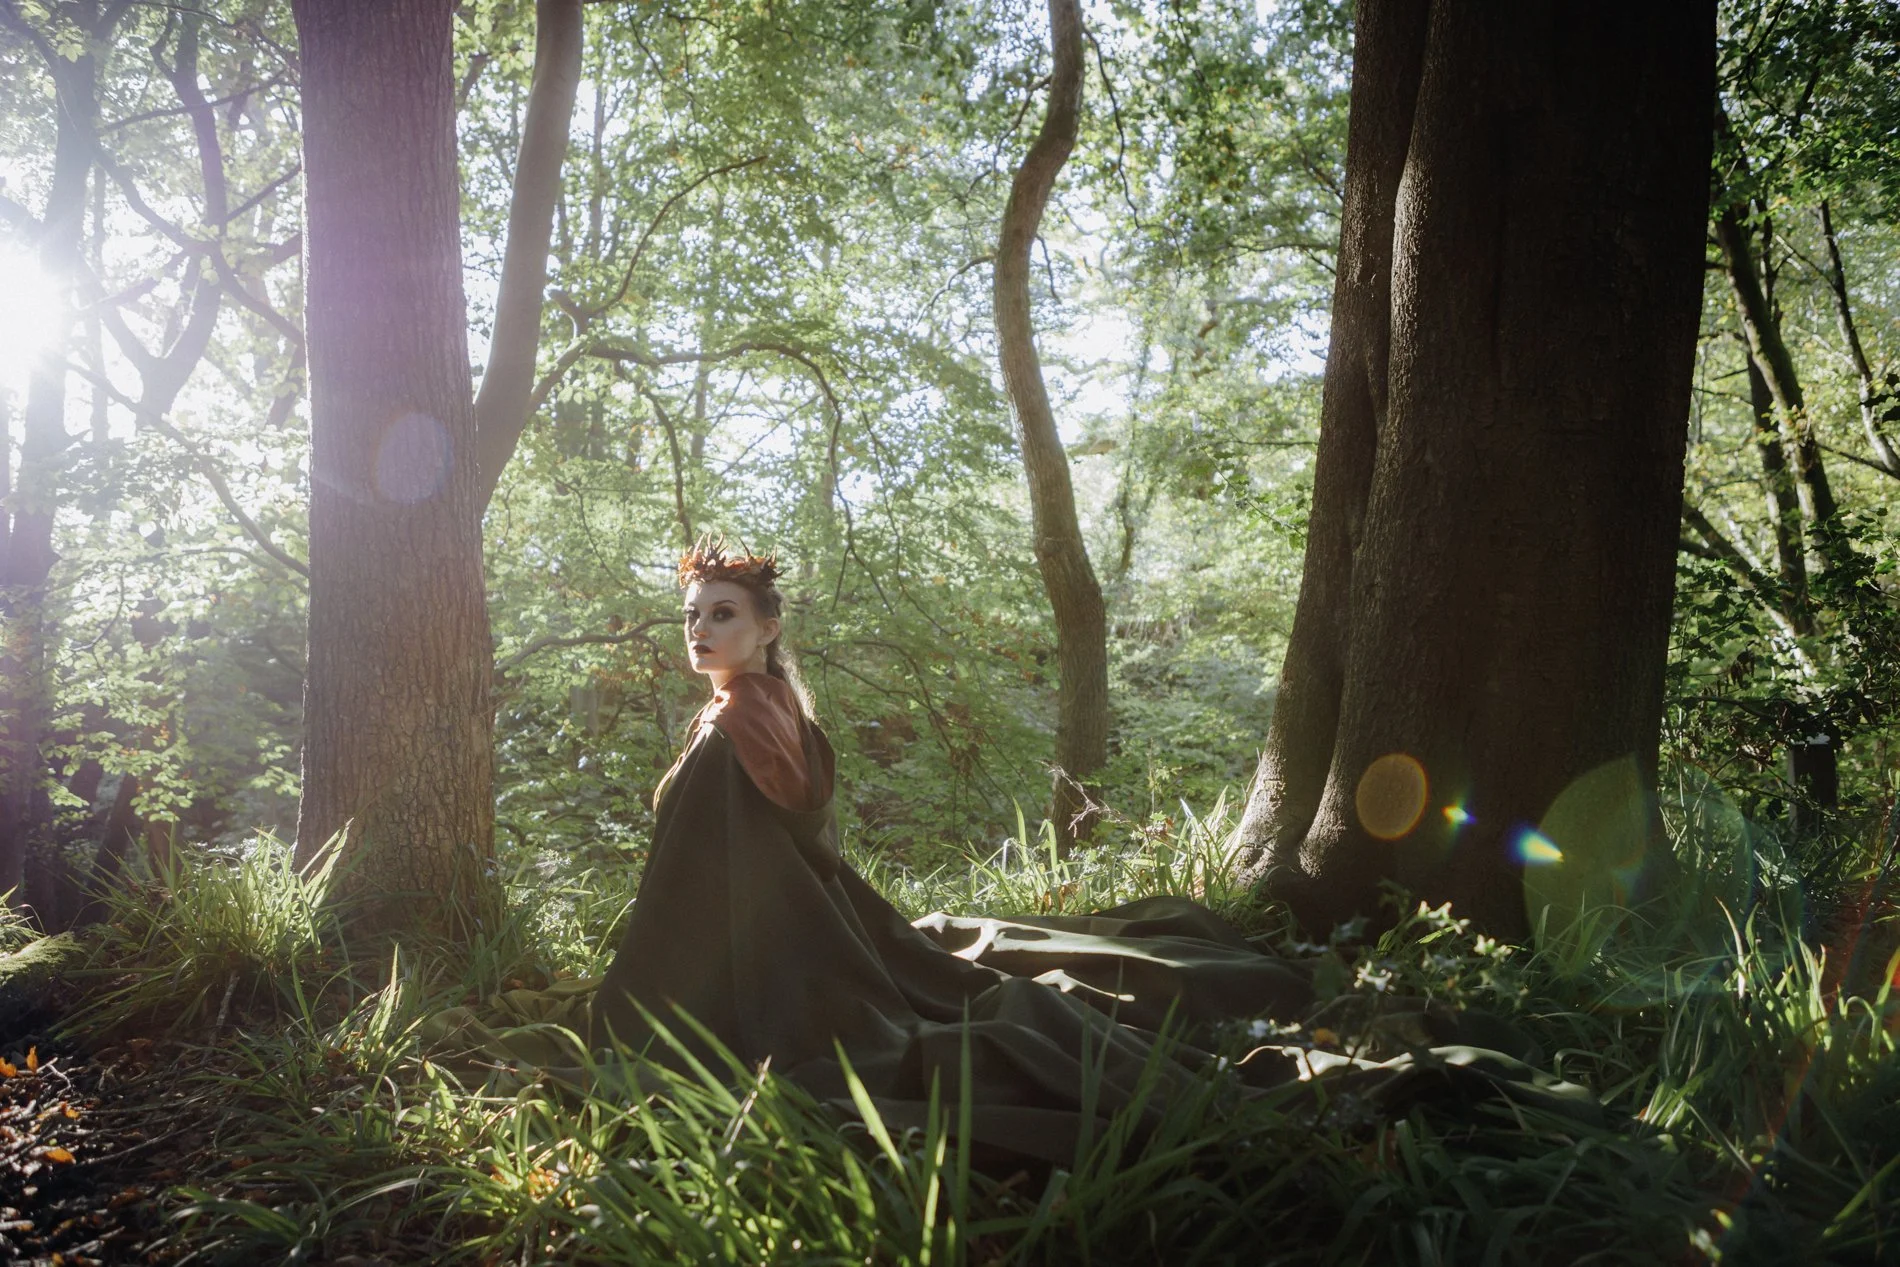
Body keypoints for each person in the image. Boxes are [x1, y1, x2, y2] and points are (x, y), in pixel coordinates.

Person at [577, 541, 1595, 1163]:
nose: (701, 632)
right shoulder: (771, 710)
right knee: (983, 982)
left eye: (722, 616)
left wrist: (630, 1008)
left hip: (798, 965)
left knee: (977, 1029)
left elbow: (699, 886)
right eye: (692, 617)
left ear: (765, 627)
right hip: (822, 933)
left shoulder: (734, 729)